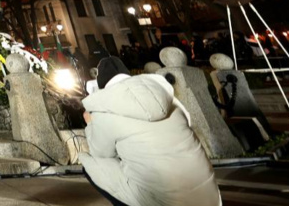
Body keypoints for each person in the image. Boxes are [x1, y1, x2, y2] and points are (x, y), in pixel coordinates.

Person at [80, 56, 220, 206]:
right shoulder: (169, 100)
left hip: (164, 202)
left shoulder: (105, 111)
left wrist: (91, 124)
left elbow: (100, 154)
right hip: (210, 198)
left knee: (91, 164)